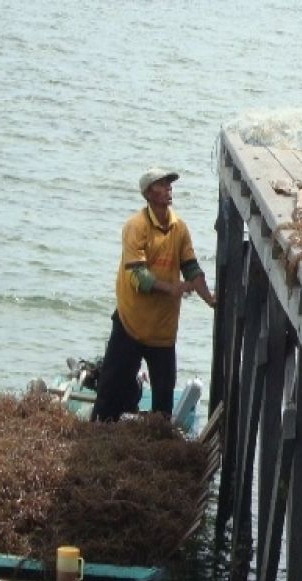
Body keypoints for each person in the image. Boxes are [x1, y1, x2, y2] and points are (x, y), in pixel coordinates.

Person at [91, 168, 215, 422]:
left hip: (162, 330)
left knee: (163, 397)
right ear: (148, 193)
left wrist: (210, 299)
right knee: (110, 390)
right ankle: (99, 431)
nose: (168, 188)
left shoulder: (179, 228)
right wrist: (173, 288)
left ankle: (159, 442)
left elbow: (191, 268)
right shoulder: (135, 227)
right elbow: (137, 276)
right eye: (162, 184)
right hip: (131, 323)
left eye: (169, 184)